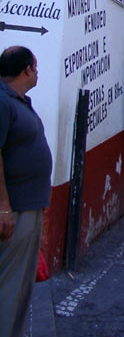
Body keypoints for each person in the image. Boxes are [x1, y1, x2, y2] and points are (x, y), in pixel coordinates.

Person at [0, 46, 52, 337]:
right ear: (26, 70)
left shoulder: (17, 101)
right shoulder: (2, 101)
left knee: (20, 286)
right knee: (9, 286)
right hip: (14, 211)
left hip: (28, 207)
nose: (37, 72)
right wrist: (3, 207)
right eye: (35, 66)